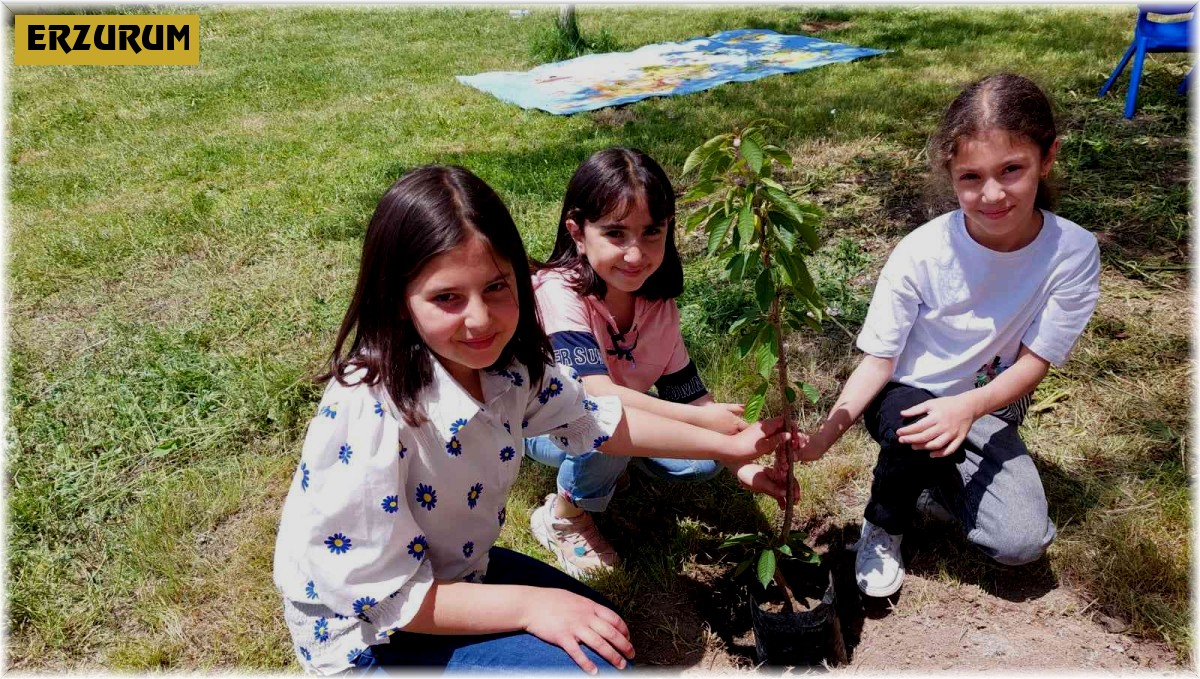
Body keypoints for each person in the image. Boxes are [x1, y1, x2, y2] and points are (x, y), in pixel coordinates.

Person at [272, 165, 794, 674]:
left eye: (496, 287)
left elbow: (599, 422)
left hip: (458, 570)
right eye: (447, 297)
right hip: (369, 635)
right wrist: (529, 606)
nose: (480, 319)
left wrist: (730, 448)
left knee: (607, 636)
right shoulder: (369, 408)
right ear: (397, 299)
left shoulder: (510, 368)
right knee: (595, 667)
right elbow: (380, 598)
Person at [796, 74, 1101, 598]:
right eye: (971, 177)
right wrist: (823, 437)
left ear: (1047, 158)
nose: (991, 194)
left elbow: (1035, 362)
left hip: (989, 403)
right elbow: (878, 362)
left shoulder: (1071, 253)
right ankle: (885, 522)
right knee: (917, 429)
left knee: (1021, 543)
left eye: (1011, 170)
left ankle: (935, 482)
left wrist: (969, 408)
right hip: (907, 396)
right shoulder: (922, 253)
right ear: (950, 174)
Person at [524, 147, 794, 578]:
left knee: (702, 461)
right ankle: (562, 517)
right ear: (577, 232)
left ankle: (614, 466)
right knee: (604, 424)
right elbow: (594, 394)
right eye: (615, 234)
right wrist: (705, 424)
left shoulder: (657, 304)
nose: (636, 254)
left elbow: (690, 395)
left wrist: (746, 468)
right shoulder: (557, 292)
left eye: (652, 232)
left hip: (614, 414)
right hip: (547, 426)